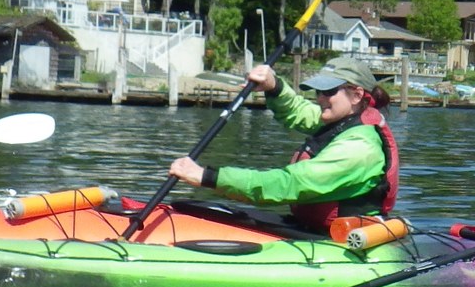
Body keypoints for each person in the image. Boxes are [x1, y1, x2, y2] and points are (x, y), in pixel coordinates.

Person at [167, 56, 397, 230]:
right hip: (310, 226)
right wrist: (273, 86)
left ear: (357, 95)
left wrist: (208, 177)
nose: (320, 98)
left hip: (338, 238)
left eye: (328, 91)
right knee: (196, 209)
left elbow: (288, 184)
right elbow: (299, 111)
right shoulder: (343, 119)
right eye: (318, 91)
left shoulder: (359, 148)